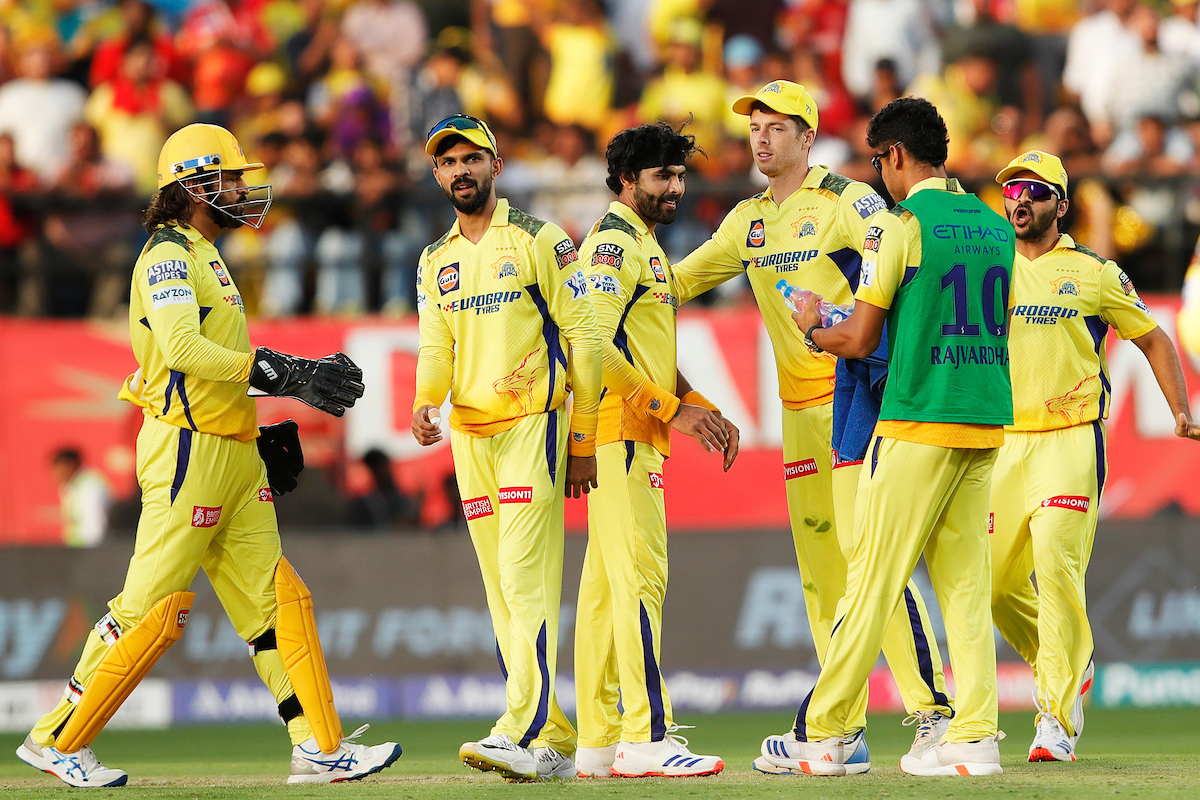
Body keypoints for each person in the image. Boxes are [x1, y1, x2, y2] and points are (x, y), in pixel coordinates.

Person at [16, 123, 399, 788]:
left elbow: (217, 368)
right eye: (231, 178)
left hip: (231, 452)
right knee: (150, 611)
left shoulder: (206, 253)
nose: (245, 190)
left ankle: (319, 747)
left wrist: (258, 420)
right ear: (194, 186)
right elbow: (185, 352)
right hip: (186, 451)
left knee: (279, 602)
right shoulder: (167, 255)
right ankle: (56, 739)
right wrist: (281, 372)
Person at [670, 80, 953, 772]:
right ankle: (840, 731)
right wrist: (603, 282)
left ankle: (933, 712)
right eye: (754, 126)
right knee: (822, 575)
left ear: (807, 136)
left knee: (873, 560)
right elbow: (676, 281)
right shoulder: (747, 222)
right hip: (799, 417)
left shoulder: (846, 200)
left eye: (777, 126)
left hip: (855, 398)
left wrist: (857, 329)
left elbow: (901, 254)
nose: (761, 137)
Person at [783, 96, 1013, 777]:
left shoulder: (899, 227)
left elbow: (858, 336)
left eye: (878, 161)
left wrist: (808, 324)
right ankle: (972, 737)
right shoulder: (993, 224)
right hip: (982, 418)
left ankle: (824, 733)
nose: (879, 175)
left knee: (870, 579)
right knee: (965, 587)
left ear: (897, 157)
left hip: (916, 418)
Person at [990, 149, 1200, 763]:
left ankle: (1055, 718)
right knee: (997, 588)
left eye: (1032, 191)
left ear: (1059, 202)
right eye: (1011, 192)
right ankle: (1068, 661)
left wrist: (1180, 411)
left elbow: (1155, 338)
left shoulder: (1096, 271)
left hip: (1069, 437)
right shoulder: (988, 264)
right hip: (1001, 442)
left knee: (1056, 564)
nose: (1019, 201)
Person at [410, 113, 602, 782]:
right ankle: (551, 739)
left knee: (525, 578)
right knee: (500, 590)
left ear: (496, 164)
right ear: (437, 175)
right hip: (471, 435)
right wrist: (422, 401)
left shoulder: (541, 240)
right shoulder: (436, 260)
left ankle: (515, 726)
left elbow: (585, 340)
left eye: (471, 158)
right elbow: (437, 345)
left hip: (533, 426)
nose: (460, 170)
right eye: (448, 162)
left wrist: (583, 438)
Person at [573, 122, 739, 779]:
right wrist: (673, 411)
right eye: (661, 176)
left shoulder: (642, 245)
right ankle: (646, 735)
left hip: (630, 431)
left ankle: (597, 741)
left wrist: (698, 401)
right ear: (625, 180)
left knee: (606, 594)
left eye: (679, 175)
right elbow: (593, 349)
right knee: (641, 583)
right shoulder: (615, 243)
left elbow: (643, 352)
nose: (675, 187)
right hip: (622, 435)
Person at [50, 448, 112, 548]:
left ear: (72, 464)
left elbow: (94, 525)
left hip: (88, 550)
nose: (56, 474)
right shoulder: (68, 487)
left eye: (59, 468)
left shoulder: (91, 486)